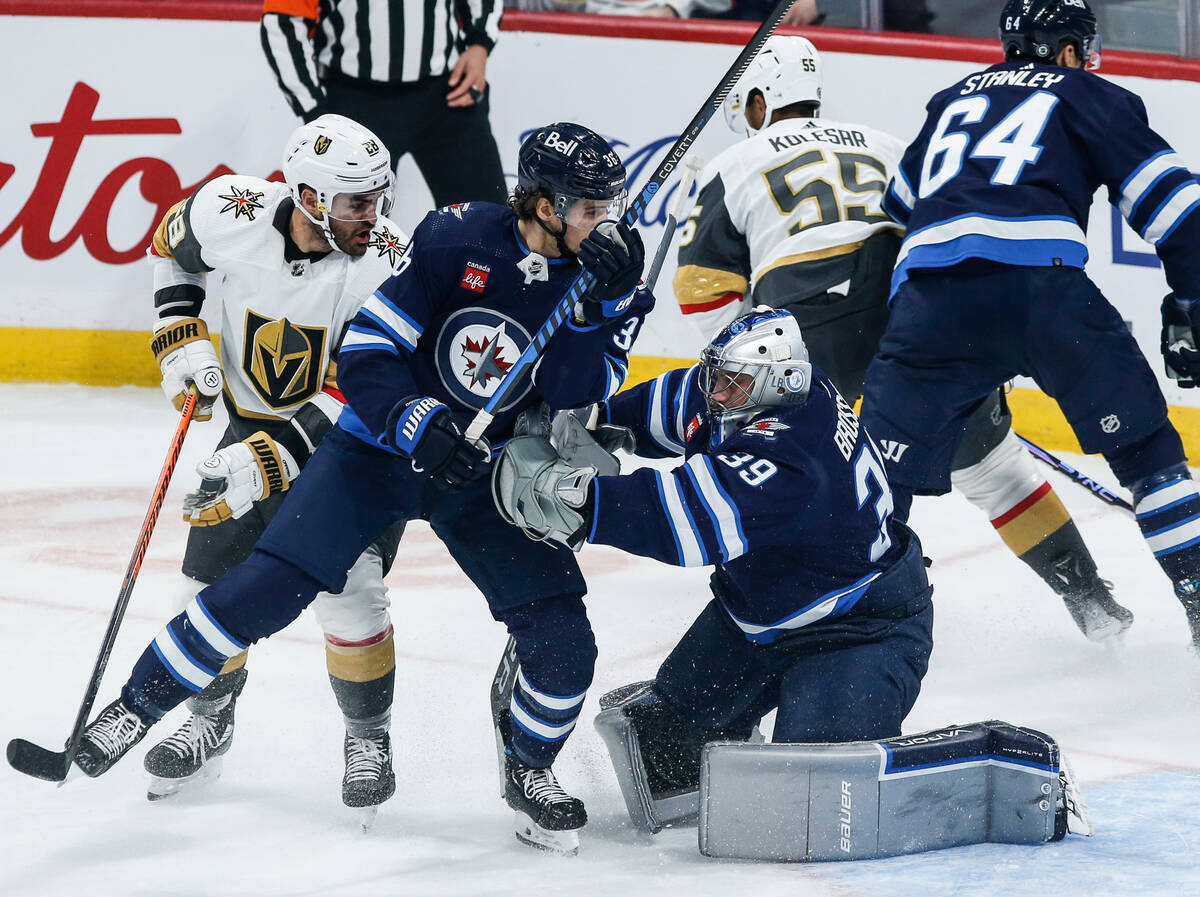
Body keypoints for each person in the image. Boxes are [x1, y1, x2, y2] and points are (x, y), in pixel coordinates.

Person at [70, 122, 651, 855]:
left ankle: (528, 766)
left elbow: (574, 388)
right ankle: (137, 705)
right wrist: (416, 422)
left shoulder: (608, 276)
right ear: (542, 203)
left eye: (610, 206)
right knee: (264, 587)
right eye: (591, 208)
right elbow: (371, 355)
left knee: (564, 640)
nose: (607, 224)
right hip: (376, 449)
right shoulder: (452, 239)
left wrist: (605, 301)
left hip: (486, 473)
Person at [675, 34, 1131, 641]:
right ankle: (1096, 608)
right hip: (917, 311)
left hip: (811, 317)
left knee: (785, 471)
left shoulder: (733, 164)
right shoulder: (886, 144)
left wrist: (755, 372)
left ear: (759, 101)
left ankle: (794, 623)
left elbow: (702, 288)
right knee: (994, 471)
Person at [860, 0, 1200, 650]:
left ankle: (841, 641)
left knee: (876, 480)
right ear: (1069, 50)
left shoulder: (949, 98)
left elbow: (900, 208)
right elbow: (1180, 209)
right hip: (1043, 291)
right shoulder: (1087, 93)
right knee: (1147, 456)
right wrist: (1191, 303)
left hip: (929, 307)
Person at [493, 307, 933, 790]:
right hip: (755, 617)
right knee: (664, 753)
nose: (718, 393)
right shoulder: (763, 391)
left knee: (811, 786)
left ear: (781, 380)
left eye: (732, 384)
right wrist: (602, 417)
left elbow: (683, 519)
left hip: (859, 630)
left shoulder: (795, 458)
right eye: (719, 377)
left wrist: (581, 501)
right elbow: (680, 398)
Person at [144, 114, 409, 810]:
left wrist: (273, 455)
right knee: (204, 588)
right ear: (308, 195)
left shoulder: (389, 257)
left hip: (352, 446)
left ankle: (367, 734)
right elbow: (172, 249)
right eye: (356, 201)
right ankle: (209, 718)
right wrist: (180, 336)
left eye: (378, 197)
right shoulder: (229, 208)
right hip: (248, 427)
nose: (373, 215)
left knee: (350, 594)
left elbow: (366, 384)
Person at [260, 0, 507, 209]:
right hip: (355, 101)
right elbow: (283, 20)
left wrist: (480, 44)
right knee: (345, 231)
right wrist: (314, 110)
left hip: (448, 92)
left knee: (487, 225)